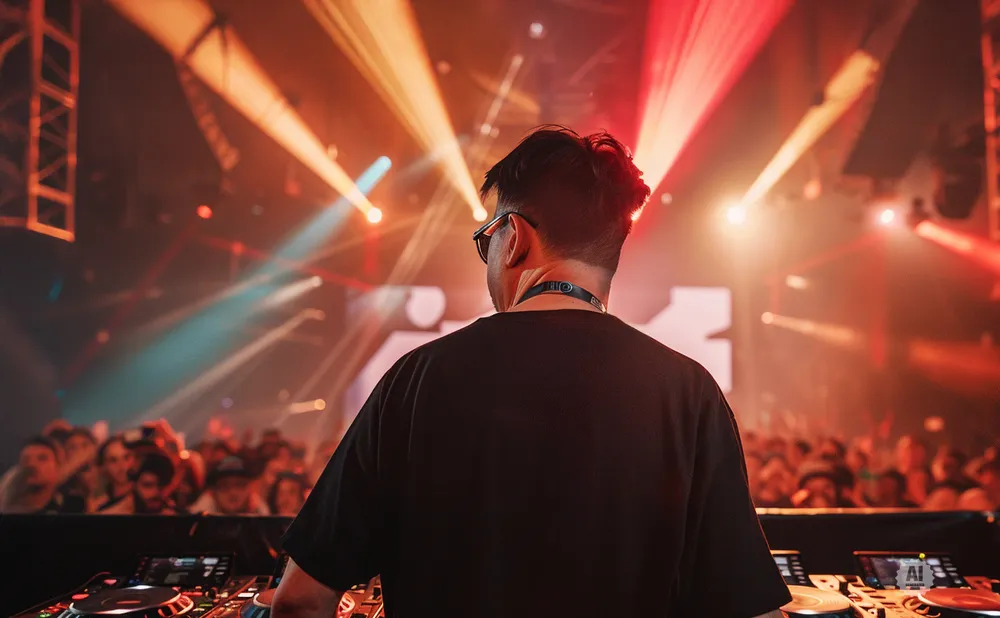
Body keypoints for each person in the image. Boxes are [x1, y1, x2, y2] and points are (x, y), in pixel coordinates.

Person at [274, 127, 789, 618]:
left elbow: (300, 599)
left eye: (486, 240)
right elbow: (749, 607)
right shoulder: (688, 392)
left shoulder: (415, 380)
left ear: (514, 236)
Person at [0, 436, 86, 513]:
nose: (31, 464)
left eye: (42, 459)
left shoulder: (72, 505)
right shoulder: (9, 509)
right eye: (26, 460)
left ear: (58, 466)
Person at [101, 449, 178, 515]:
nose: (155, 492)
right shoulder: (110, 514)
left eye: (161, 486)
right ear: (134, 485)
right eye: (148, 485)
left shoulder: (173, 513)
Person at [95, 435, 134, 511]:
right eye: (113, 460)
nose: (121, 465)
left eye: (126, 457)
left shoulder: (147, 497)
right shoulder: (99, 506)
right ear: (103, 467)